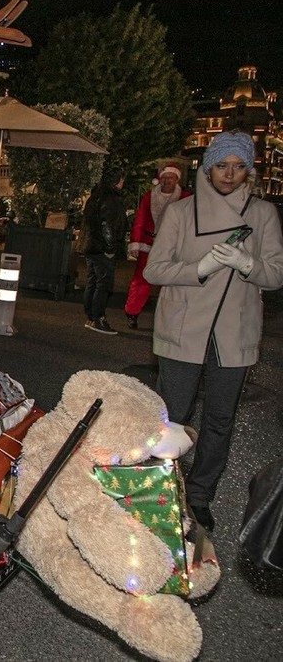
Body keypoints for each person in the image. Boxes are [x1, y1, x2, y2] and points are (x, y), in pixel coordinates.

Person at [145, 130, 283, 532]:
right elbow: (154, 270)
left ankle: (200, 496)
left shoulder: (262, 214)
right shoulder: (181, 212)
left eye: (239, 166)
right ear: (208, 168)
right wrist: (199, 269)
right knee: (171, 418)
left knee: (220, 421)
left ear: (249, 171)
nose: (229, 174)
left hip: (234, 332)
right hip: (183, 327)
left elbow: (275, 274)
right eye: (222, 165)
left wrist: (247, 264)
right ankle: (156, 492)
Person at [123, 164, 191, 329]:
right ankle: (132, 312)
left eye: (171, 178)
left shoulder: (185, 198)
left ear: (177, 179)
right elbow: (140, 220)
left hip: (172, 246)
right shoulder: (149, 196)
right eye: (164, 177)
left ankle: (169, 317)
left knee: (169, 282)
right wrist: (135, 242)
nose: (167, 181)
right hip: (148, 244)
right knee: (141, 279)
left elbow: (189, 223)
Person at [80, 164, 127, 335]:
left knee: (93, 281)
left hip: (91, 246)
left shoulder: (95, 196)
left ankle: (91, 317)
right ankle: (98, 318)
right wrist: (110, 248)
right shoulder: (110, 199)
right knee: (103, 284)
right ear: (117, 180)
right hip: (102, 248)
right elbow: (107, 224)